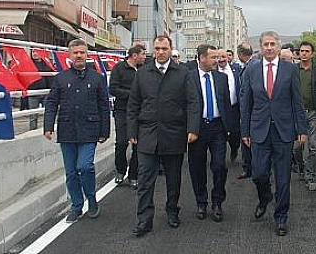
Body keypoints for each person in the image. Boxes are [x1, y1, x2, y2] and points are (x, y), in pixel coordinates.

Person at [127, 35, 200, 237]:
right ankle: (144, 219)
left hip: (174, 134)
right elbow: (133, 105)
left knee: (173, 179)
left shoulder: (183, 73)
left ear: (171, 49)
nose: (160, 52)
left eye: (164, 48)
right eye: (157, 48)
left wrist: (193, 128)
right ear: (153, 49)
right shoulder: (142, 74)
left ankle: (171, 211)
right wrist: (131, 131)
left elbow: (193, 103)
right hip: (147, 135)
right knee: (145, 180)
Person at [240, 31, 308, 236]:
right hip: (259, 130)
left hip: (283, 131)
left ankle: (281, 217)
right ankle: (264, 197)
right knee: (259, 173)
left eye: (272, 44)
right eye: (265, 45)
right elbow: (246, 103)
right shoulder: (251, 70)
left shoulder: (289, 70)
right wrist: (245, 130)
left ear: (278, 47)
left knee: (283, 177)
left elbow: (297, 101)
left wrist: (301, 129)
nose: (269, 48)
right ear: (260, 48)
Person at [44, 39, 110, 223]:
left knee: (85, 166)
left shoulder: (97, 78)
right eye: (75, 53)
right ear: (69, 55)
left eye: (82, 52)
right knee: (71, 172)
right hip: (67, 131)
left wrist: (105, 130)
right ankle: (76, 205)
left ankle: (91, 198)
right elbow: (51, 103)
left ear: (87, 54)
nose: (79, 56)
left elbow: (103, 105)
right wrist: (48, 126)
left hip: (89, 130)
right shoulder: (61, 78)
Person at [188, 44, 232, 222]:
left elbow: (227, 104)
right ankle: (201, 202)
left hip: (217, 128)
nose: (217, 61)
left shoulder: (221, 78)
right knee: (197, 167)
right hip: (197, 128)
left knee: (220, 166)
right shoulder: (188, 78)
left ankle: (217, 202)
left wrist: (230, 128)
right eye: (213, 57)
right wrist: (189, 128)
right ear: (201, 58)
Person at [109, 45, 146, 188]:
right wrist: (132, 94)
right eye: (142, 54)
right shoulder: (119, 68)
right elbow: (113, 88)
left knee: (137, 145)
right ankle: (120, 170)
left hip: (140, 112)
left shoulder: (144, 70)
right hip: (122, 111)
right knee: (121, 142)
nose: (144, 57)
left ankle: (133, 175)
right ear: (134, 55)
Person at [291, 41, 316, 191]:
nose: (303, 53)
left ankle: (310, 177)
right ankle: (301, 167)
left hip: (313, 113)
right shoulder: (292, 70)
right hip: (296, 113)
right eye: (301, 51)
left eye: (306, 51)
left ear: (312, 54)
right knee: (297, 147)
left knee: (313, 147)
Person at [217, 48, 241, 163]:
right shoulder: (213, 71)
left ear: (228, 58)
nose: (221, 60)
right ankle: (218, 157)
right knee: (219, 134)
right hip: (219, 109)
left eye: (223, 57)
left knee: (235, 134)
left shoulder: (236, 70)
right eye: (219, 57)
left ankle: (234, 148)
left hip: (234, 108)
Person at [236, 41, 255, 179]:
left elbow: (246, 94)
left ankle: (250, 168)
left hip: (250, 111)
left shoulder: (250, 68)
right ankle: (249, 168)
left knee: (247, 138)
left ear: (240, 54)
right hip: (251, 111)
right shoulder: (252, 65)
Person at [25, 50, 53, 130]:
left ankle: (48, 129)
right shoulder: (28, 64)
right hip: (33, 92)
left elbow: (51, 78)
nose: (34, 53)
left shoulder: (48, 64)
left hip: (46, 92)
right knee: (33, 115)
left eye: (36, 51)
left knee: (48, 113)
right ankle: (32, 131)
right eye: (33, 51)